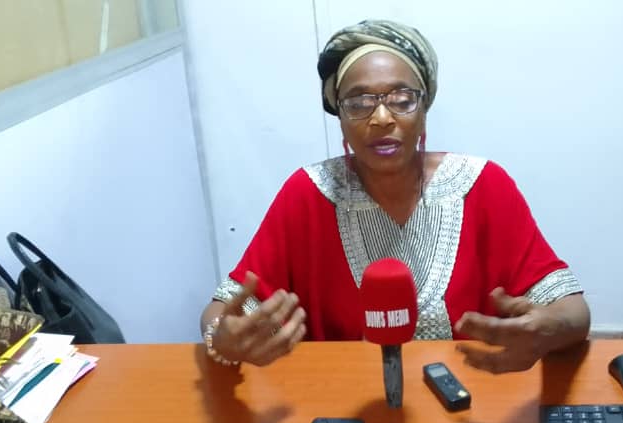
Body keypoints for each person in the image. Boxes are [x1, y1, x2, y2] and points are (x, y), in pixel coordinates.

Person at [199, 19, 590, 373]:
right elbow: (223, 312)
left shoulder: (483, 185)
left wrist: (552, 327)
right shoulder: (309, 193)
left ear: (424, 108)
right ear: (340, 116)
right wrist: (223, 338)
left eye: (402, 100)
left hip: (476, 398)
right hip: (343, 403)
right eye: (359, 103)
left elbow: (572, 309)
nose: (382, 118)